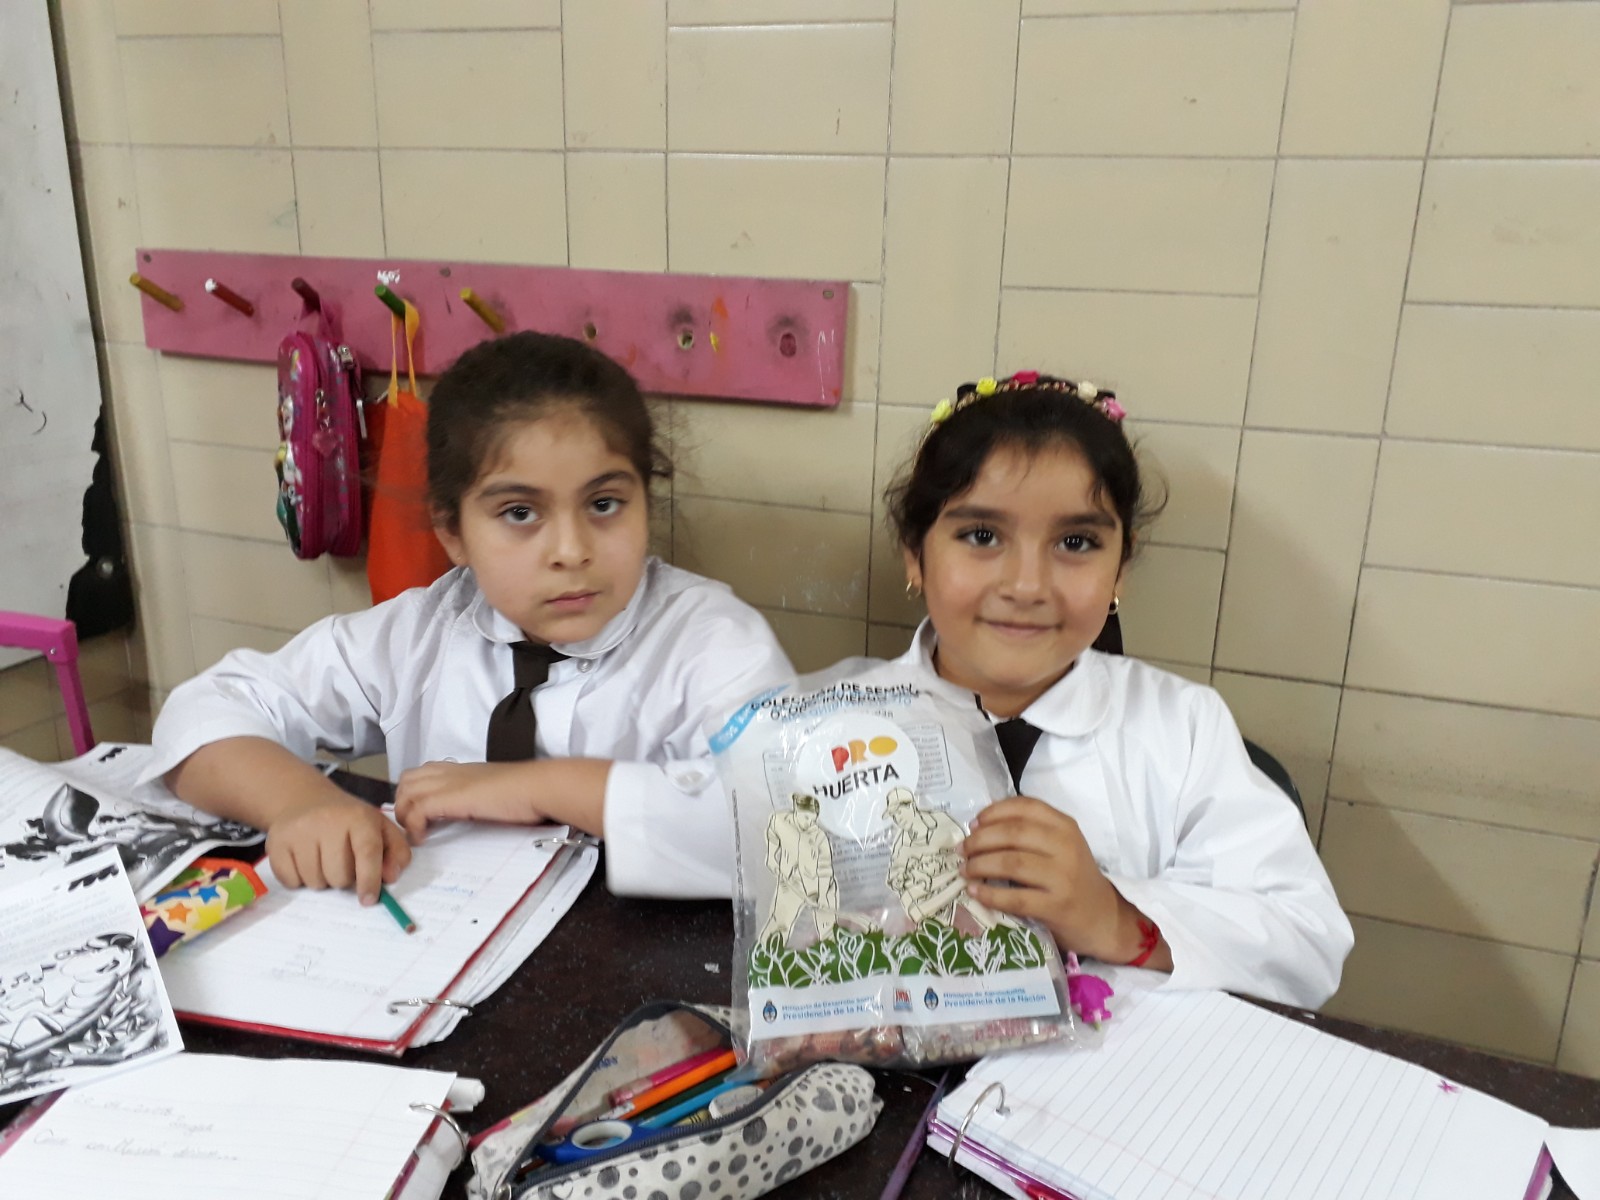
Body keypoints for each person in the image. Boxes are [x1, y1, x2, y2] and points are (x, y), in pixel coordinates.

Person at [145, 332, 793, 905]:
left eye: (604, 503)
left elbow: (796, 820)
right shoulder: (419, 633)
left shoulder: (710, 640)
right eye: (519, 513)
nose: (572, 551)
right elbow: (204, 711)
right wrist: (299, 802)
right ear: (452, 531)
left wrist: (543, 788)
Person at [884, 370, 1353, 1008]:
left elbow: (1308, 946)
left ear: (1120, 570)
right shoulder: (827, 731)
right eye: (982, 536)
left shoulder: (1183, 727)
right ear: (915, 554)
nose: (1027, 586)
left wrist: (1114, 918)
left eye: (1075, 542)